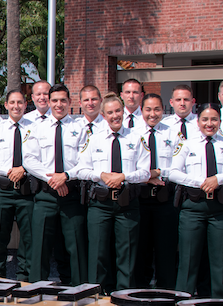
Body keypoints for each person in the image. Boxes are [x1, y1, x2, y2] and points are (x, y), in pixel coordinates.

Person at [169, 104, 223, 297]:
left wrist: (219, 179)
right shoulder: (187, 144)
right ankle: (182, 301)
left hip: (221, 209)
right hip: (193, 207)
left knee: (221, 261)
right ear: (198, 122)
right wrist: (200, 182)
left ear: (220, 122)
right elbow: (173, 173)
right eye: (205, 119)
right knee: (188, 260)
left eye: (214, 119)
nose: (209, 123)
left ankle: (221, 304)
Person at [75, 94, 148, 293]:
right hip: (100, 203)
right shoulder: (94, 139)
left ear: (123, 112)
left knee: (127, 253)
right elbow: (81, 170)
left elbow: (145, 172)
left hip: (127, 203)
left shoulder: (136, 138)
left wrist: (123, 176)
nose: (115, 116)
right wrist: (102, 175)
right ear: (103, 115)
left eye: (118, 111)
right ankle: (98, 295)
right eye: (110, 112)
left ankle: (125, 296)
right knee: (98, 253)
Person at [27, 84, 90, 283]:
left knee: (77, 247)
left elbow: (86, 160)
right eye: (54, 100)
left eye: (63, 100)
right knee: (40, 247)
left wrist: (67, 175)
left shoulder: (80, 128)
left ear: (70, 102)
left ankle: (81, 290)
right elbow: (29, 159)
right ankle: (36, 289)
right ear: (48, 102)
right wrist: (53, 179)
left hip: (72, 195)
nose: (59, 104)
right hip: (45, 195)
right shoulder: (37, 128)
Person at [0, 88, 36, 280]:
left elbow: (41, 158)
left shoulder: (34, 129)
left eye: (20, 103)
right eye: (12, 103)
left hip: (27, 191)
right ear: (6, 105)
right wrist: (9, 171)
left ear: (26, 105)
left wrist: (25, 169)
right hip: (1, 190)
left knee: (28, 237)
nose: (16, 106)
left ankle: (25, 277)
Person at [134, 92, 182, 290]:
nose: (152, 114)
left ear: (163, 110)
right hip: (139, 197)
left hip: (165, 199)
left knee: (166, 249)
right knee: (140, 248)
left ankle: (166, 291)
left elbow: (180, 165)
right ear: (141, 110)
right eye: (148, 109)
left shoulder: (173, 134)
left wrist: (158, 172)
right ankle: (140, 290)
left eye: (156, 109)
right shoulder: (133, 133)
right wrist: (146, 175)